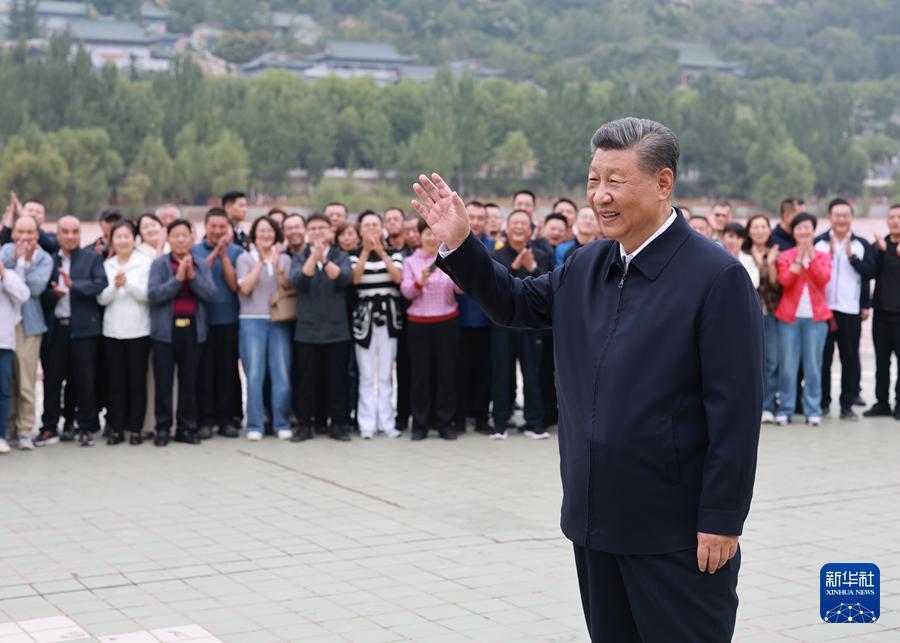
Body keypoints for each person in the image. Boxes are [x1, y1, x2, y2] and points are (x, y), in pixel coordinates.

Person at [417, 117, 763, 642]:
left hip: (675, 532)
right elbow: (513, 302)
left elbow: (735, 412)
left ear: (663, 183)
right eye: (592, 180)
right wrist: (463, 244)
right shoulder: (587, 264)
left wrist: (722, 517)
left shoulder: (716, 278)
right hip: (593, 519)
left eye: (615, 181)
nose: (599, 195)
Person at [39, 216, 108, 447]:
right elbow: (41, 296)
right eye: (65, 231)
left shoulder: (92, 258)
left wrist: (73, 286)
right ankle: (49, 427)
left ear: (80, 234)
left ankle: (86, 427)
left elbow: (101, 283)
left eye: (75, 231)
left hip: (84, 330)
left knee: (85, 380)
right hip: (56, 328)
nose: (70, 236)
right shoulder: (48, 260)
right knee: (52, 381)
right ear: (56, 234)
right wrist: (55, 295)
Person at [148, 219, 217, 446]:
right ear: (167, 238)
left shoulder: (201, 265)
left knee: (189, 383)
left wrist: (192, 277)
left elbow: (210, 294)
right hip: (165, 332)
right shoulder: (159, 264)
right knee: (164, 383)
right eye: (175, 235)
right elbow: (155, 295)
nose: (180, 240)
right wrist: (177, 280)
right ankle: (162, 427)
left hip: (192, 331)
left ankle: (185, 428)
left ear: (192, 238)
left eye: (184, 235)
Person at [290, 213, 354, 442]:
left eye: (322, 228)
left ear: (330, 232)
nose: (317, 232)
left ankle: (337, 425)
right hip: (307, 330)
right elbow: (298, 281)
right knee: (306, 381)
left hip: (336, 330)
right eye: (313, 228)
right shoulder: (299, 257)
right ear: (307, 233)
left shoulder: (340, 255)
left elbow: (345, 279)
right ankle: (305, 426)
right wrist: (313, 258)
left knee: (336, 381)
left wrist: (324, 261)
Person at [810, 198, 875, 421]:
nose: (841, 219)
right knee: (823, 359)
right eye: (836, 215)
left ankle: (847, 404)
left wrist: (851, 257)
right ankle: (823, 403)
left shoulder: (861, 245)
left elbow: (869, 274)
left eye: (845, 215)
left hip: (850, 310)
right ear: (828, 217)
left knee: (849, 357)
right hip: (822, 311)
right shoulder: (817, 243)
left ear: (851, 218)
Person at [489, 210, 551, 440]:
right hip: (502, 326)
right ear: (507, 228)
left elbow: (548, 286)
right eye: (514, 222)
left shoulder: (541, 255)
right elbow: (495, 289)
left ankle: (535, 423)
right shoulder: (496, 256)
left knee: (532, 374)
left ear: (530, 229)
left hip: (532, 326)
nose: (518, 227)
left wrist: (532, 266)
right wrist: (514, 268)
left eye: (523, 223)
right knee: (502, 375)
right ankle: (500, 422)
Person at [401, 218, 463, 441]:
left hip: (447, 321)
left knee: (446, 374)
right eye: (426, 233)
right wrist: (421, 280)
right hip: (419, 324)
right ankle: (420, 424)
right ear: (419, 236)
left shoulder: (449, 259)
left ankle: (445, 422)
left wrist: (458, 272)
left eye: (434, 233)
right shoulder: (410, 261)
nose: (430, 238)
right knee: (420, 375)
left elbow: (461, 290)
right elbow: (407, 292)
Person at [236, 216, 294, 441]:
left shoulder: (286, 259)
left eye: (270, 231)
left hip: (279, 320)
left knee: (281, 374)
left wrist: (277, 267)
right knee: (254, 375)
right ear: (254, 235)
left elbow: (288, 287)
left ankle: (281, 422)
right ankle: (255, 424)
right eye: (261, 231)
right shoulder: (244, 259)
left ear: (276, 234)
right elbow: (246, 288)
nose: (265, 235)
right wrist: (261, 262)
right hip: (252, 321)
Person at [97, 220, 152, 445]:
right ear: (112, 240)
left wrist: (127, 284)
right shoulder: (107, 265)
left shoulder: (144, 263)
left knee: (137, 383)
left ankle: (136, 429)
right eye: (118, 237)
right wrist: (115, 287)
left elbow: (148, 295)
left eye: (127, 236)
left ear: (134, 239)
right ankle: (117, 429)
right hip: (112, 331)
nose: (122, 241)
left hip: (139, 331)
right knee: (116, 383)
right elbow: (101, 298)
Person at [774, 213, 832, 427]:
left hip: (816, 320)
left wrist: (811, 257)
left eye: (807, 227)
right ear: (794, 232)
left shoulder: (823, 256)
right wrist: (799, 258)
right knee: (788, 366)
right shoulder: (786, 255)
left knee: (814, 366)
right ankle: (786, 409)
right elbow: (785, 280)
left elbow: (823, 279)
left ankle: (813, 410)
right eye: (799, 228)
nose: (803, 232)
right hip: (789, 318)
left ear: (813, 230)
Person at [350, 212, 404, 439]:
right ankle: (366, 423)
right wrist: (366, 251)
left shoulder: (394, 253)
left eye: (375, 225)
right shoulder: (353, 255)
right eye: (366, 225)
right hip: (364, 318)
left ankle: (387, 422)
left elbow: (398, 277)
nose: (371, 229)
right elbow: (354, 278)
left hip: (389, 316)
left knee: (384, 372)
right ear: (360, 229)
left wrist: (381, 252)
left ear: (382, 228)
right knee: (366, 373)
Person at [1, 216, 53, 449]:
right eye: (20, 231)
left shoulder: (44, 258)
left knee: (25, 380)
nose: (24, 237)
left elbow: (36, 289)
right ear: (12, 233)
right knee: (6, 380)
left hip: (29, 325)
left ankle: (24, 429)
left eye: (30, 232)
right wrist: (14, 259)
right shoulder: (5, 251)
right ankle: (8, 427)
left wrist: (29, 263)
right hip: (5, 323)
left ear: (38, 233)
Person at [192, 208, 243, 439]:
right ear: (205, 227)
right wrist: (213, 256)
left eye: (222, 227)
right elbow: (198, 280)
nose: (217, 231)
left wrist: (224, 256)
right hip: (202, 320)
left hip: (229, 319)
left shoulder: (237, 252)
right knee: (204, 372)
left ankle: (226, 419)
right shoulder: (194, 251)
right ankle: (204, 420)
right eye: (213, 226)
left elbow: (235, 287)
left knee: (227, 372)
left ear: (229, 229)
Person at [455, 201, 496, 434]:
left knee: (484, 372)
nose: (477, 222)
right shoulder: (453, 244)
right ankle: (459, 418)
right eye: (472, 217)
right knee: (460, 373)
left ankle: (482, 418)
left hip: (487, 321)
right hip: (459, 321)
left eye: (481, 218)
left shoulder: (494, 246)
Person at [744, 214, 782, 424]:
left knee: (773, 362)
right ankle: (751, 406)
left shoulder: (776, 253)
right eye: (755, 227)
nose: (759, 231)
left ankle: (767, 405)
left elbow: (775, 286)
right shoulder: (742, 254)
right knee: (750, 363)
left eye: (763, 227)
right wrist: (759, 264)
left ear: (769, 230)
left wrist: (768, 264)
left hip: (772, 314)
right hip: (748, 316)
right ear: (749, 231)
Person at [866, 204, 900, 418]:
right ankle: (881, 402)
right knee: (882, 362)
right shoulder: (878, 246)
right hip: (881, 312)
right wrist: (880, 253)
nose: (895, 220)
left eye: (899, 217)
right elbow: (869, 273)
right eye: (892, 217)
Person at [0, 249, 31, 454]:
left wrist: (3, 273)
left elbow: (23, 295)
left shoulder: (8, 275)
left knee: (3, 390)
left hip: (4, 342)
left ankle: (1, 435)